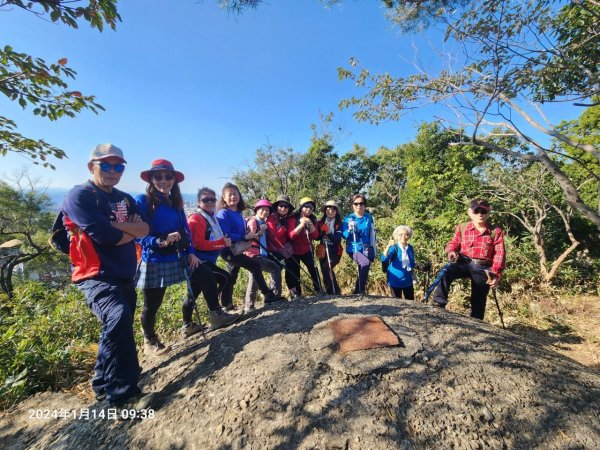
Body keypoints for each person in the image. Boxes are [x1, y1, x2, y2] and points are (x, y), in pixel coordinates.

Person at [61, 144, 149, 407]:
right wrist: (126, 229)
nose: (113, 171)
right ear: (92, 167)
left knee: (117, 324)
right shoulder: (80, 195)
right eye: (106, 166)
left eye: (118, 166)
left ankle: (101, 381)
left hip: (124, 272)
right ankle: (123, 393)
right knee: (118, 317)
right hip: (94, 274)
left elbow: (145, 228)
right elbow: (105, 236)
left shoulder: (125, 197)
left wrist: (117, 227)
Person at [432, 198, 506, 319]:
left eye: (483, 211)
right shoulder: (463, 227)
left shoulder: (495, 231)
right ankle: (438, 303)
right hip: (464, 262)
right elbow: (454, 243)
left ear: (488, 212)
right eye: (476, 211)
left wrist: (496, 275)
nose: (480, 214)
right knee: (446, 272)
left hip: (483, 266)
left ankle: (476, 322)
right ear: (470, 212)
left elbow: (500, 254)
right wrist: (451, 251)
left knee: (479, 298)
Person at [216, 182, 283, 307]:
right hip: (229, 250)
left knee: (231, 277)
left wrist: (252, 234)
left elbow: (244, 233)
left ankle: (226, 305)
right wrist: (244, 237)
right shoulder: (223, 213)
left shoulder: (238, 213)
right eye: (229, 194)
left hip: (238, 249)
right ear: (224, 197)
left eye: (235, 194)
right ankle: (267, 295)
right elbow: (225, 234)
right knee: (253, 268)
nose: (233, 197)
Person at [185, 187, 240, 330]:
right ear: (198, 202)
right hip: (199, 261)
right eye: (205, 199)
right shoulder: (196, 218)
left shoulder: (210, 216)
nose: (210, 202)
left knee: (193, 293)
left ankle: (187, 326)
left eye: (212, 199)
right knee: (225, 278)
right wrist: (222, 243)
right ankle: (221, 311)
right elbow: (197, 244)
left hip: (204, 261)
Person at [243, 200, 283, 313]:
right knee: (275, 268)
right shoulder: (253, 221)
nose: (265, 212)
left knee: (254, 277)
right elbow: (250, 237)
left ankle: (249, 305)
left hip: (255, 254)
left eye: (267, 210)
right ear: (257, 210)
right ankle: (274, 297)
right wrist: (261, 231)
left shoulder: (260, 222)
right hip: (253, 254)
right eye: (262, 209)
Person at [287, 197, 322, 297]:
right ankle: (297, 294)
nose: (309, 209)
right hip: (294, 250)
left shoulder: (313, 220)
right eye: (306, 206)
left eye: (311, 207)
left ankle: (319, 290)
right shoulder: (293, 219)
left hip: (307, 249)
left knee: (313, 269)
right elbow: (291, 236)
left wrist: (310, 223)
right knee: (295, 272)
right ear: (301, 207)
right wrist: (301, 224)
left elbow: (316, 237)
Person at [343, 194, 377, 294]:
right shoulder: (348, 218)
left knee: (363, 267)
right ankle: (361, 290)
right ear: (352, 205)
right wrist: (349, 229)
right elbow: (344, 236)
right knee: (365, 263)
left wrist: (374, 247)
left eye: (361, 203)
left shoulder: (368, 217)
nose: (359, 206)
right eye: (356, 203)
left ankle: (357, 290)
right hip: (354, 248)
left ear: (365, 205)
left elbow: (372, 233)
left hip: (366, 248)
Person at [266, 195, 295, 296]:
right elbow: (273, 235)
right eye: (281, 205)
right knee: (276, 270)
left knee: (291, 268)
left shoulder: (288, 219)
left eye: (286, 207)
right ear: (276, 206)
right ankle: (274, 295)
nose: (283, 208)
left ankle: (293, 291)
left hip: (285, 249)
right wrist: (284, 229)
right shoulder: (271, 217)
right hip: (274, 249)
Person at [381, 225, 416, 300]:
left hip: (407, 280)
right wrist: (388, 246)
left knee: (410, 302)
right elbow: (384, 259)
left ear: (409, 236)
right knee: (397, 303)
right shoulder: (394, 248)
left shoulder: (410, 248)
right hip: (395, 280)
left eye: (406, 234)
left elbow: (412, 263)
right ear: (397, 236)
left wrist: (420, 267)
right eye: (401, 235)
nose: (403, 236)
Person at [316, 200, 343, 295]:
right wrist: (320, 232)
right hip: (323, 250)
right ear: (325, 211)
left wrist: (328, 232)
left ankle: (336, 290)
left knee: (327, 267)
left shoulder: (339, 224)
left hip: (335, 251)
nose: (330, 211)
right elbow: (317, 237)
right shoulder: (320, 222)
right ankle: (330, 291)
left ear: (336, 211)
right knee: (324, 270)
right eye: (328, 209)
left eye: (333, 210)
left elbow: (337, 240)